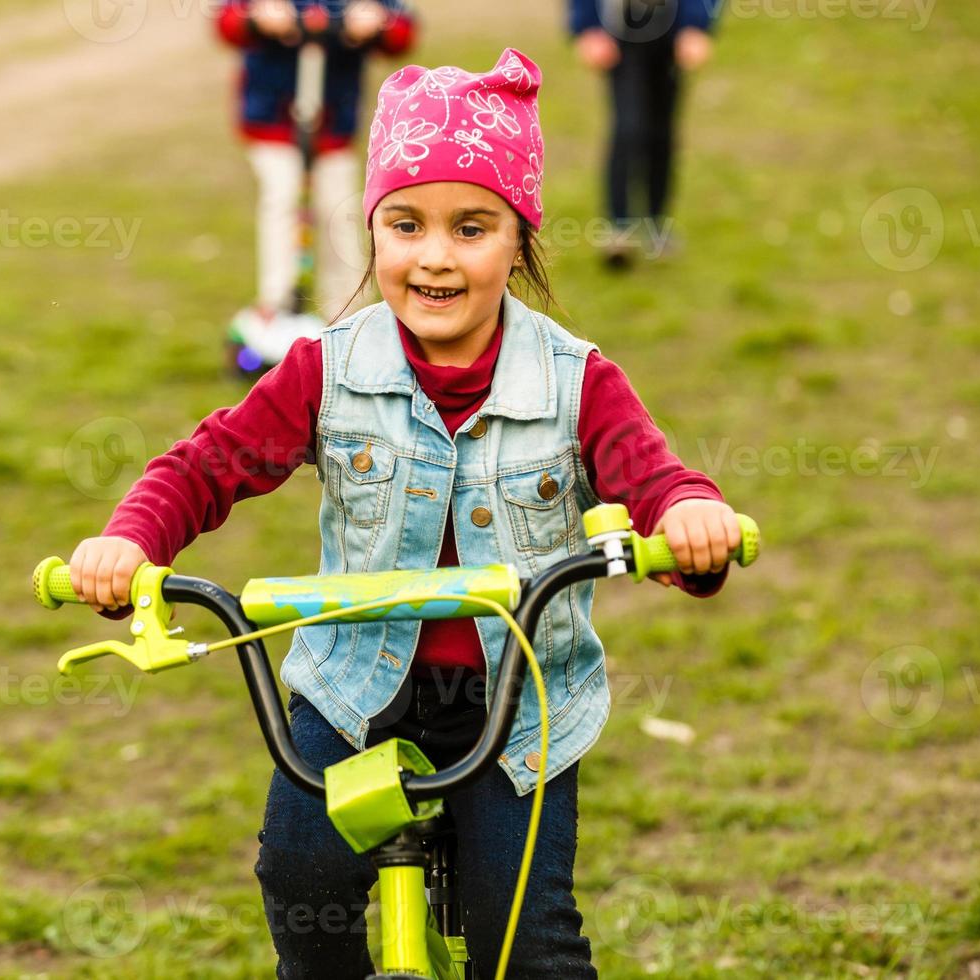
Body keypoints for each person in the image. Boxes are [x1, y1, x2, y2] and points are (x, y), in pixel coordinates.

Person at [67, 49, 741, 979]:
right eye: (405, 224)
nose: (434, 256)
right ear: (373, 232)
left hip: (518, 708)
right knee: (299, 876)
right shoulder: (328, 370)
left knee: (528, 942)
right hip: (354, 691)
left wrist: (693, 524)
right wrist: (128, 541)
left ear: (520, 239)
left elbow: (657, 479)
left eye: (472, 227)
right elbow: (208, 463)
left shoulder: (577, 381)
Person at [216, 0, 417, 322]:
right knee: (283, 199)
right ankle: (276, 304)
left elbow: (401, 31)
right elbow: (227, 20)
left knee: (337, 211)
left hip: (333, 121)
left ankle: (349, 313)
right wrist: (255, 16)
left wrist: (377, 22)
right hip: (274, 117)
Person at [570, 0, 719, 268]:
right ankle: (618, 228)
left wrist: (697, 23)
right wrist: (587, 25)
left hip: (672, 33)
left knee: (662, 134)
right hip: (620, 34)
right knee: (628, 129)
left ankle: (656, 223)